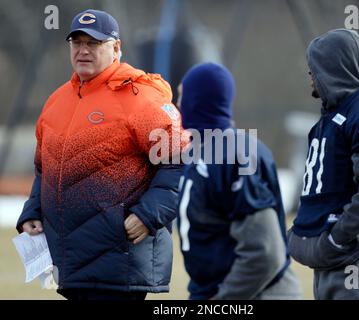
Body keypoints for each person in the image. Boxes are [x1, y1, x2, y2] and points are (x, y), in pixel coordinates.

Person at [16, 9, 188, 300]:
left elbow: (180, 162)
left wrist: (148, 215)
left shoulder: (140, 99)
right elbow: (45, 169)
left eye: (93, 43)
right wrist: (32, 210)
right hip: (69, 266)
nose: (83, 50)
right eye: (77, 42)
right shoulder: (57, 101)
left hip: (119, 267)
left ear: (116, 48)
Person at [287, 29, 359, 300]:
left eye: (315, 68)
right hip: (335, 259)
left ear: (333, 68)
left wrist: (337, 238)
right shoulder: (330, 119)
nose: (310, 75)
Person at [177, 62, 302, 300]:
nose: (178, 104)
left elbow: (264, 252)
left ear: (197, 100)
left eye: (183, 95)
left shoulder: (233, 156)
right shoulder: (205, 151)